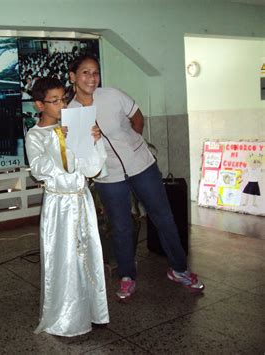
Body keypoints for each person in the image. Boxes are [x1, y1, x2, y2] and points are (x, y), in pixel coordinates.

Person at [67, 54, 205, 300]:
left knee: (163, 217)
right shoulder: (72, 112)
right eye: (85, 72)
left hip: (141, 165)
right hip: (108, 176)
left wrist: (134, 142)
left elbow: (137, 117)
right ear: (73, 77)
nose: (92, 77)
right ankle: (127, 276)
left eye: (95, 72)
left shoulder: (111, 95)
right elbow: (80, 150)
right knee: (121, 227)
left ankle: (180, 269)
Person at [25, 77, 109, 336]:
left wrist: (93, 140)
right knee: (64, 258)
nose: (62, 105)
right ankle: (66, 317)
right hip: (59, 205)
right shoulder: (35, 135)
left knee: (89, 253)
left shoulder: (73, 126)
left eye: (64, 98)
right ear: (40, 104)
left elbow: (92, 169)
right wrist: (60, 143)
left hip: (81, 199)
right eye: (54, 101)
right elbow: (40, 170)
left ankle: (93, 310)